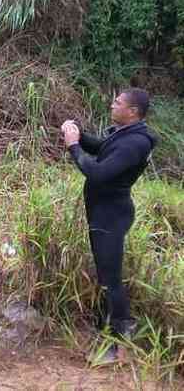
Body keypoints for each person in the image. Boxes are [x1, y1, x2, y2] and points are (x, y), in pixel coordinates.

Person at [61, 88, 156, 364]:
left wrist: (73, 146)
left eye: (118, 103)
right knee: (106, 276)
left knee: (111, 279)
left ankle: (117, 344)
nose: (112, 105)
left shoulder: (135, 143)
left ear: (133, 112)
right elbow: (102, 147)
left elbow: (99, 173)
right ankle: (110, 329)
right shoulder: (125, 134)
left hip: (111, 215)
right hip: (104, 213)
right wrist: (77, 133)